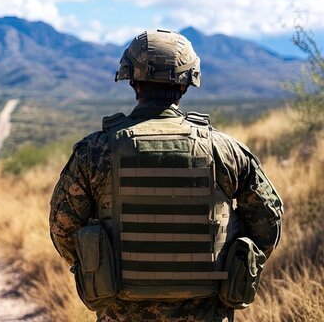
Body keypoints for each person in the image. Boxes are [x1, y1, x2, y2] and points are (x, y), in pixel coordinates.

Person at [49, 29, 283, 321]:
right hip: (208, 310)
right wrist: (229, 268)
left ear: (132, 80)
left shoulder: (95, 151)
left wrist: (102, 269)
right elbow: (267, 223)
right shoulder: (226, 150)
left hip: (121, 311)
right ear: (187, 83)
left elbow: (63, 229)